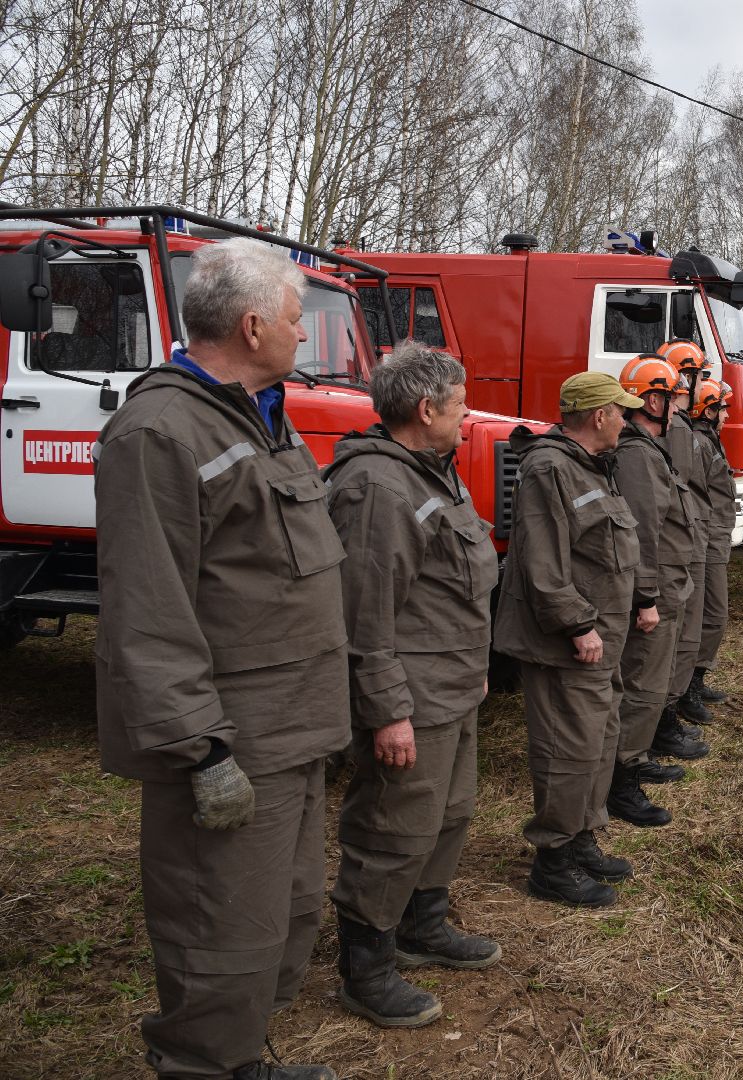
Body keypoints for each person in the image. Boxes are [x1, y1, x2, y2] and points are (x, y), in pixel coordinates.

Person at [95, 238, 347, 1080]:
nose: (299, 337)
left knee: (278, 920)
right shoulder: (160, 430)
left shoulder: (259, 415)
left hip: (294, 729)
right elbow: (147, 607)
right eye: (290, 319)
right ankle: (205, 1064)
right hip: (235, 739)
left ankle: (241, 1059)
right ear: (249, 325)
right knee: (220, 930)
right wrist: (201, 749)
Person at [323, 342, 502, 1030]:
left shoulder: (431, 472)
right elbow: (365, 614)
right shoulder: (379, 487)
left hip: (453, 684)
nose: (466, 416)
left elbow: (452, 590)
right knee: (393, 827)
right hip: (413, 695)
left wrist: (477, 664)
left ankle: (422, 926)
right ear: (426, 409)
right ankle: (365, 966)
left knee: (448, 813)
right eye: (459, 405)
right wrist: (387, 711)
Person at [493, 371, 643, 908]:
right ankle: (552, 861)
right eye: (621, 412)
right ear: (599, 415)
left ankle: (581, 837)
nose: (627, 421)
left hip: (603, 637)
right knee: (567, 749)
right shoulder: (548, 468)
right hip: (568, 641)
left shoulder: (593, 468)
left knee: (598, 741)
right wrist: (578, 625)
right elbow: (540, 562)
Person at [606, 354, 703, 832]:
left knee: (652, 683)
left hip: (668, 584)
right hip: (656, 589)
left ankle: (634, 757)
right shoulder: (638, 455)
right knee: (641, 685)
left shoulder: (651, 448)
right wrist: (646, 596)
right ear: (653, 400)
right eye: (671, 396)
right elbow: (641, 532)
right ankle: (619, 779)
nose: (678, 405)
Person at [655, 339, 717, 729]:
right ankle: (664, 717)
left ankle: (669, 709)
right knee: (677, 635)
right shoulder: (676, 429)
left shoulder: (680, 426)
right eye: (697, 376)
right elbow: (676, 492)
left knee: (685, 631)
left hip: (688, 539)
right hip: (680, 544)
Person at [691, 378, 737, 704]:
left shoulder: (709, 440)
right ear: (708, 410)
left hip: (715, 539)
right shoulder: (699, 443)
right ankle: (688, 687)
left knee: (712, 616)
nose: (726, 416)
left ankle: (695, 679)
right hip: (706, 542)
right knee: (712, 616)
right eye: (723, 408)